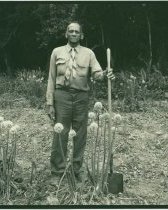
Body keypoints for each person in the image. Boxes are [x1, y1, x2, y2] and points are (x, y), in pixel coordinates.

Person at [46, 21, 115, 185]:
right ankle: (57, 172)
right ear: (66, 34)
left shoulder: (89, 53)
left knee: (80, 134)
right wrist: (50, 102)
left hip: (81, 97)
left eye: (77, 32)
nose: (74, 34)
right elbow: (51, 78)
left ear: (81, 35)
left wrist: (105, 74)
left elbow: (97, 74)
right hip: (61, 96)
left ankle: (78, 170)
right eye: (71, 31)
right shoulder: (57, 52)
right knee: (60, 133)